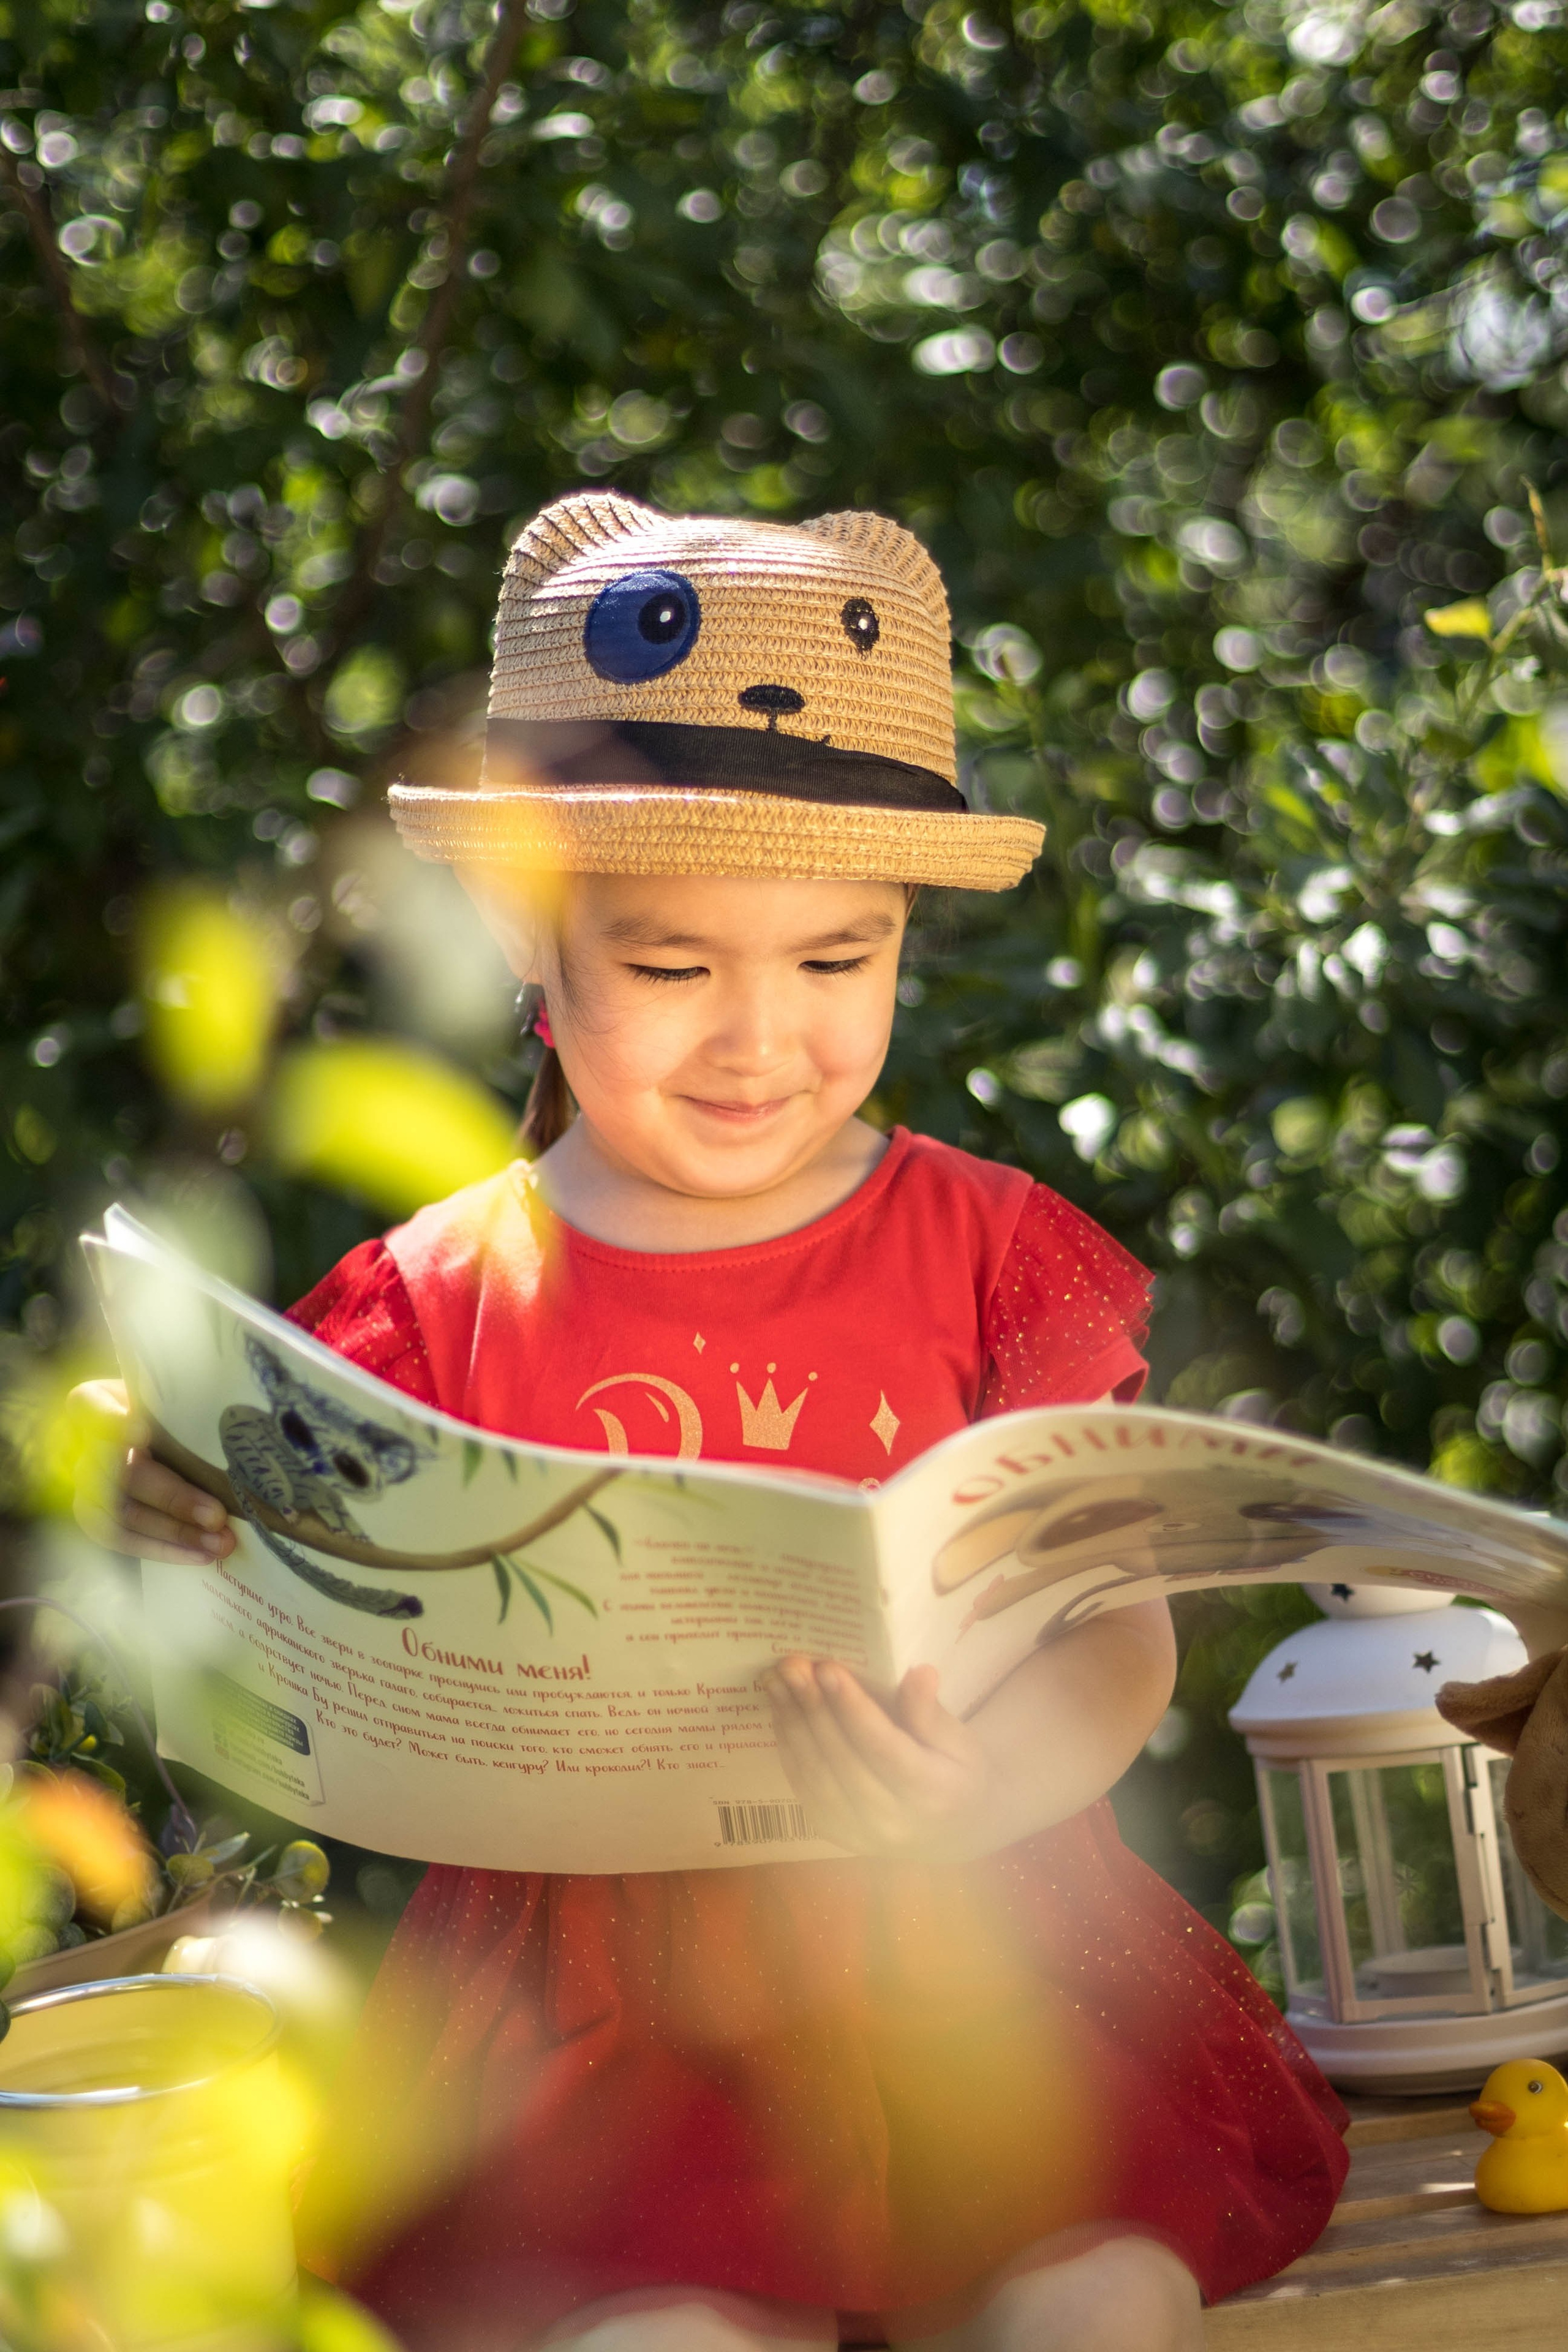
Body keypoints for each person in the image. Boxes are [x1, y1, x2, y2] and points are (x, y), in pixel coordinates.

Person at [74, 496, 1348, 2352]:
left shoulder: (993, 1254)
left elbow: (1110, 1634)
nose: (760, 1039)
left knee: (1094, 2296)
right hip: (604, 2028)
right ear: (529, 933)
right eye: (674, 968)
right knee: (655, 2334)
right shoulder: (432, 1298)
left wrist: (983, 1790)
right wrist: (188, 1522)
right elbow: (302, 1664)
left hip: (982, 1964)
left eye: (837, 962)